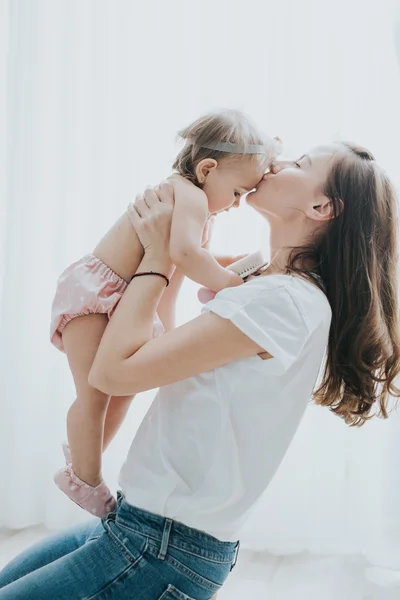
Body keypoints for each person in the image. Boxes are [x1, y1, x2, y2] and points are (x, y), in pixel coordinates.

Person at [1, 142, 399, 599]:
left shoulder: (284, 302)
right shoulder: (267, 283)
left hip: (163, 548)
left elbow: (111, 374)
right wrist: (171, 255)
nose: (279, 163)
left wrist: (154, 258)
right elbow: (155, 353)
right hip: (140, 525)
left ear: (320, 206)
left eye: (301, 164)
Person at [50, 110, 280, 517]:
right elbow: (185, 255)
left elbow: (193, 257)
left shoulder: (197, 204)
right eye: (238, 193)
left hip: (121, 299)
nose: (237, 205)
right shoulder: (188, 195)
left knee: (120, 392)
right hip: (95, 294)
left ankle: (84, 448)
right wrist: (230, 283)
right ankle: (83, 479)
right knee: (93, 393)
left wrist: (232, 265)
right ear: (207, 169)